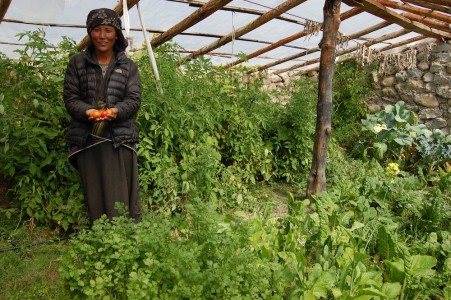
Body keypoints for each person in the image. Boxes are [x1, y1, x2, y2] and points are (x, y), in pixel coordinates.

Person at [63, 8, 141, 222]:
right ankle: (101, 233)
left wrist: (116, 111)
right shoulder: (77, 63)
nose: (102, 36)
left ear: (116, 34)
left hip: (119, 138)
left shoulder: (128, 66)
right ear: (90, 32)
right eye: (97, 30)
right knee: (95, 188)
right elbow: (71, 98)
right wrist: (87, 111)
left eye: (108, 30)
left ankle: (125, 232)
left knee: (121, 188)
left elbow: (133, 99)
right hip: (88, 137)